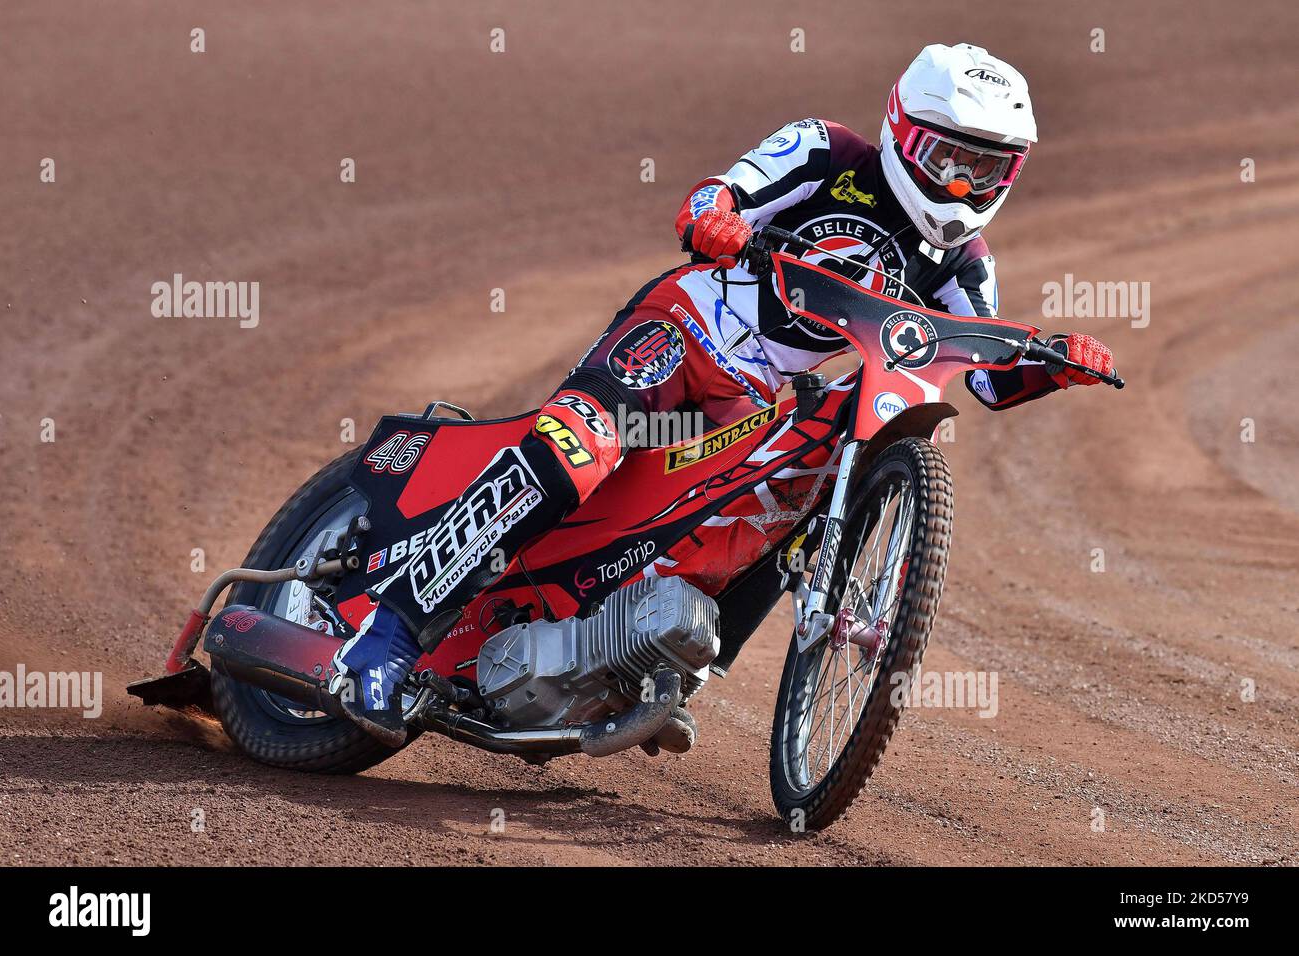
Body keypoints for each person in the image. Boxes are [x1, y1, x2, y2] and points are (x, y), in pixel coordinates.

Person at [330, 42, 1116, 745]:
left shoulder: (964, 265)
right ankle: (388, 633)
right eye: (950, 157)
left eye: (986, 167)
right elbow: (716, 196)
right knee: (578, 449)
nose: (962, 181)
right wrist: (718, 218)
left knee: (791, 492)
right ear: (904, 131)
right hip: (687, 331)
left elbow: (987, 374)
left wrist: (1054, 362)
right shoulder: (825, 150)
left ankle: (650, 660)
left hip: (761, 400)